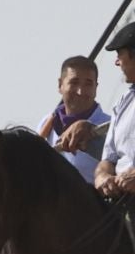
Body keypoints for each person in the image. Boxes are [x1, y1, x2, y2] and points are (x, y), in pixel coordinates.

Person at [42, 54, 110, 182]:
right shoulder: (46, 124)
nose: (80, 91)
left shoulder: (111, 127)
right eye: (74, 82)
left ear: (96, 88)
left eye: (88, 84)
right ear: (60, 85)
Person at [97, 24, 135, 197]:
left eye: (120, 54)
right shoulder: (123, 102)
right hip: (122, 200)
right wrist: (102, 176)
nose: (117, 62)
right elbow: (108, 159)